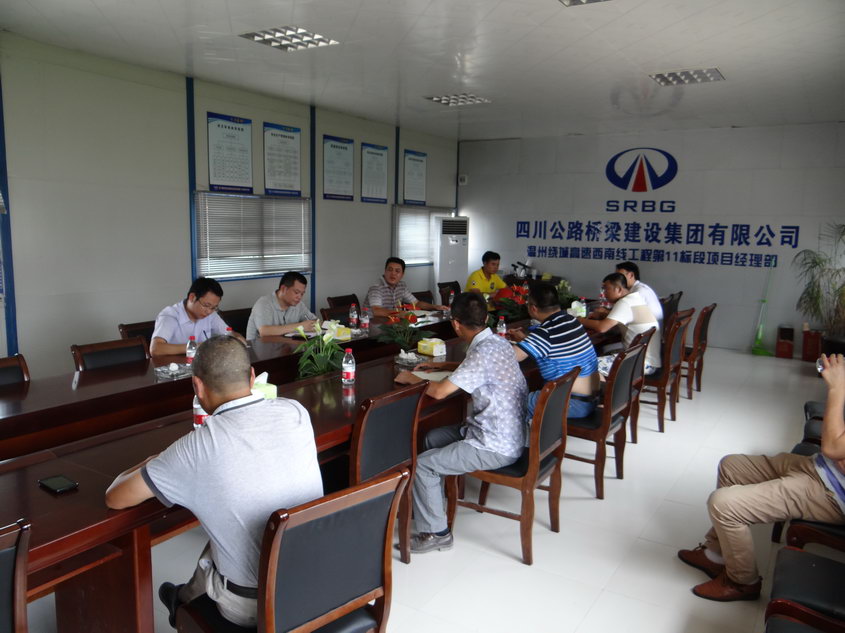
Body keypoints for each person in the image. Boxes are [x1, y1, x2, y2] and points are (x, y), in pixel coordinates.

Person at [105, 336, 323, 626]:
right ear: (252, 377)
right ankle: (184, 598)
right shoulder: (294, 411)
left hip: (256, 606)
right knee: (232, 524)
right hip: (317, 579)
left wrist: (153, 461)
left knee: (230, 530)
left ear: (197, 386)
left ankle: (183, 602)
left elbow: (115, 497)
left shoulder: (195, 448)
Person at [677, 353, 845, 601]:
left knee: (722, 504)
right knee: (731, 466)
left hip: (831, 495)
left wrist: (837, 388)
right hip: (820, 467)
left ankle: (742, 582)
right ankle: (716, 554)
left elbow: (832, 447)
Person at [395, 292, 527, 553]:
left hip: (494, 444)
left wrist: (412, 378)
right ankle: (432, 505)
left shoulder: (481, 353)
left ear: (455, 324)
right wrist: (447, 365)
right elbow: (478, 368)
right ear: (485, 318)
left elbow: (439, 392)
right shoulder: (498, 343)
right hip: (508, 433)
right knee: (431, 438)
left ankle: (437, 533)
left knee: (422, 466)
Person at [508, 282, 599, 420]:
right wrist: (525, 340)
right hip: (591, 398)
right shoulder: (571, 321)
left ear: (533, 308)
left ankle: (524, 433)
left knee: (510, 403)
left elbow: (510, 356)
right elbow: (553, 345)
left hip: (570, 402)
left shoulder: (546, 332)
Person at [578, 272, 661, 377]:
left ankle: (603, 386)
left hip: (640, 363)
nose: (604, 294)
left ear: (618, 289)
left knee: (584, 366)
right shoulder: (634, 298)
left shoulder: (625, 303)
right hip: (646, 360)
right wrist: (603, 315)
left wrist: (579, 320)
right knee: (603, 349)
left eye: (606, 289)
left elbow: (602, 327)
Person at [151, 277, 238, 357]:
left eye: (213, 307)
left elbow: (230, 334)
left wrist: (238, 339)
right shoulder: (170, 315)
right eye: (206, 305)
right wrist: (198, 346)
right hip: (173, 367)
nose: (209, 311)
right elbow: (155, 349)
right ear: (192, 297)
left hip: (202, 365)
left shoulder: (211, 314)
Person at [364, 257, 447, 316]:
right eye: (390, 270)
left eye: (397, 271)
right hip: (373, 325)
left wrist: (435, 306)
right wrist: (399, 313)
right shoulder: (376, 287)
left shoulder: (401, 286)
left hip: (393, 322)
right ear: (385, 271)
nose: (393, 273)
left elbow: (416, 303)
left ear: (402, 274)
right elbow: (377, 311)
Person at [245, 271, 317, 339]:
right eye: (296, 292)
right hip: (260, 347)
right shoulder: (264, 303)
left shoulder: (299, 305)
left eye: (302, 294)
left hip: (287, 346)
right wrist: (300, 327)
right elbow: (264, 331)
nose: (299, 297)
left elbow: (314, 321)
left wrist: (315, 324)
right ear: (283, 289)